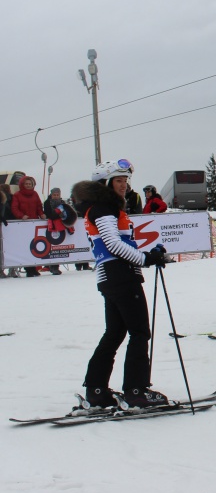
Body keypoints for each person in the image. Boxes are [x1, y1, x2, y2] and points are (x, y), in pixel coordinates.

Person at [71, 160, 169, 409]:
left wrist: (149, 253)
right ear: (105, 184)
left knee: (114, 333)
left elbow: (117, 244)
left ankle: (96, 390)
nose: (124, 185)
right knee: (139, 332)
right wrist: (146, 259)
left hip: (112, 276)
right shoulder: (104, 208)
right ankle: (136, 390)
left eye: (125, 180)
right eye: (118, 181)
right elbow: (113, 245)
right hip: (121, 276)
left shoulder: (104, 208)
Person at [10, 175, 45, 277]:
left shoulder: (35, 194)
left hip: (34, 223)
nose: (28, 185)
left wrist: (41, 214)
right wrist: (21, 216)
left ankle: (34, 267)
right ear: (22, 184)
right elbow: (14, 208)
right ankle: (28, 268)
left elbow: (39, 206)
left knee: (35, 245)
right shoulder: (17, 195)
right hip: (23, 224)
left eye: (30, 184)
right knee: (26, 246)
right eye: (26, 184)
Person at [42, 187, 77, 275]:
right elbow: (50, 214)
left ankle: (56, 266)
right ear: (51, 195)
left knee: (60, 246)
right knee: (53, 246)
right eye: (54, 195)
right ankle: (52, 266)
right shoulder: (47, 202)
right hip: (53, 226)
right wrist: (59, 215)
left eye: (57, 195)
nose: (56, 196)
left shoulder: (62, 203)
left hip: (62, 225)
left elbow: (68, 212)